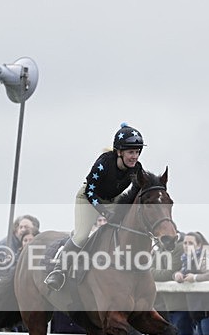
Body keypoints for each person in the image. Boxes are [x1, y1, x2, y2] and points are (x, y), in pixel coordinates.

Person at [45, 123, 147, 290]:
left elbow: (133, 197)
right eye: (130, 152)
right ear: (119, 152)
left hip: (112, 199)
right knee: (81, 236)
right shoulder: (104, 163)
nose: (134, 157)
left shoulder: (137, 169)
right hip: (88, 198)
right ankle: (58, 271)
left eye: (137, 152)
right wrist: (104, 213)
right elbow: (90, 192)